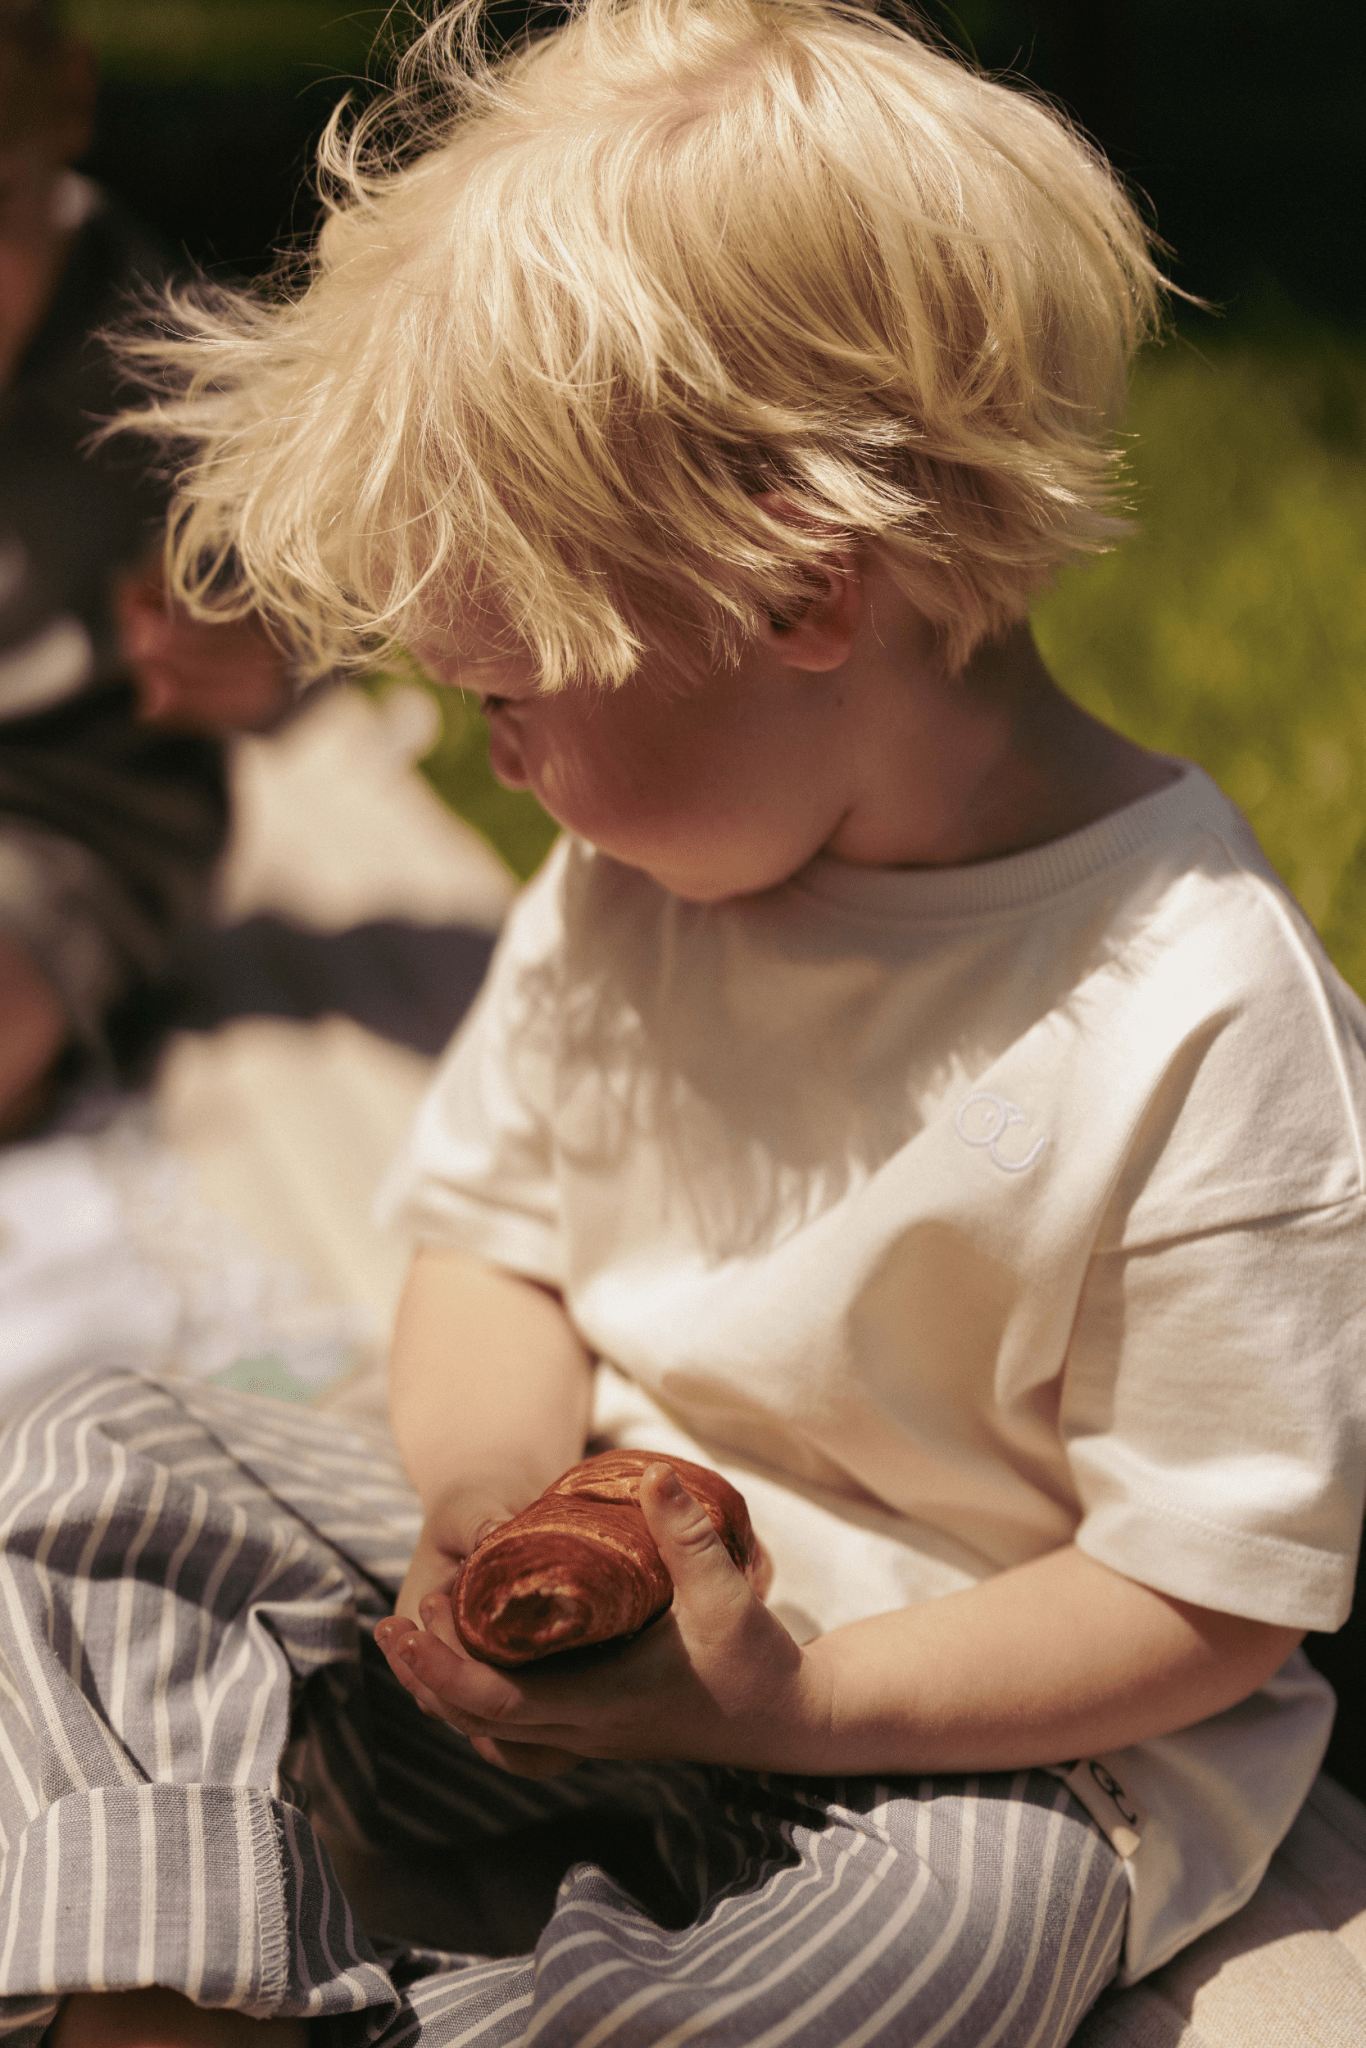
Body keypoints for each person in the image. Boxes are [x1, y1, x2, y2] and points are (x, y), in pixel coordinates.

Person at [2, 0, 1363, 2041]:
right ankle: (173, 1971)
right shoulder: (636, 870)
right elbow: (492, 1241)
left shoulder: (1192, 1017)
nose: (500, 762)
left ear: (796, 596)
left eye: (514, 696)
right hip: (576, 1636)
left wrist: (789, 1699)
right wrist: (475, 1508)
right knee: (97, 1446)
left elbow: (1198, 1601)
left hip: (923, 1718)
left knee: (982, 1916)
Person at [0, 0, 292, 1138]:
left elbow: (302, 617)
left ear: (65, 102)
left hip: (63, 825)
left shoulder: (176, 372)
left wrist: (256, 662)